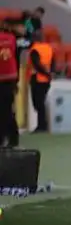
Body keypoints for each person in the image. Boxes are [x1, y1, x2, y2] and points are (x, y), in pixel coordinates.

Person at [27, 32, 54, 133]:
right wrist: (50, 73)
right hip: (46, 80)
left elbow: (36, 64)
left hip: (37, 78)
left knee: (37, 103)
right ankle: (43, 124)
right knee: (41, 102)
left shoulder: (34, 49)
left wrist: (45, 73)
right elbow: (53, 62)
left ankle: (41, 125)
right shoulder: (48, 48)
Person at [0, 19, 20, 147]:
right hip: (10, 78)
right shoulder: (11, 38)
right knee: (7, 110)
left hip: (2, 78)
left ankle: (3, 138)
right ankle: (12, 138)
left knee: (3, 111)